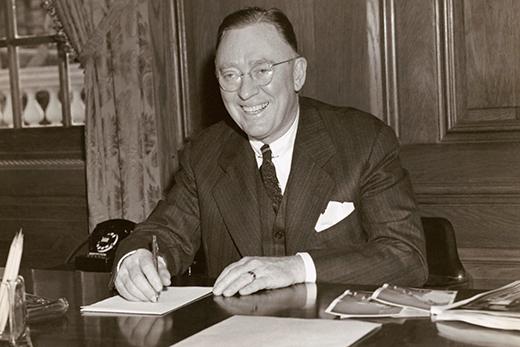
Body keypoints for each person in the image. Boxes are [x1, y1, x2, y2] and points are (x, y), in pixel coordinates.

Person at [112, 6, 428, 302]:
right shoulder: (204, 154)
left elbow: (406, 256)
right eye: (230, 74)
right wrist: (136, 259)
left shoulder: (363, 141)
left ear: (297, 74)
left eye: (262, 70)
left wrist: (297, 268)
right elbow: (165, 234)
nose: (245, 92)